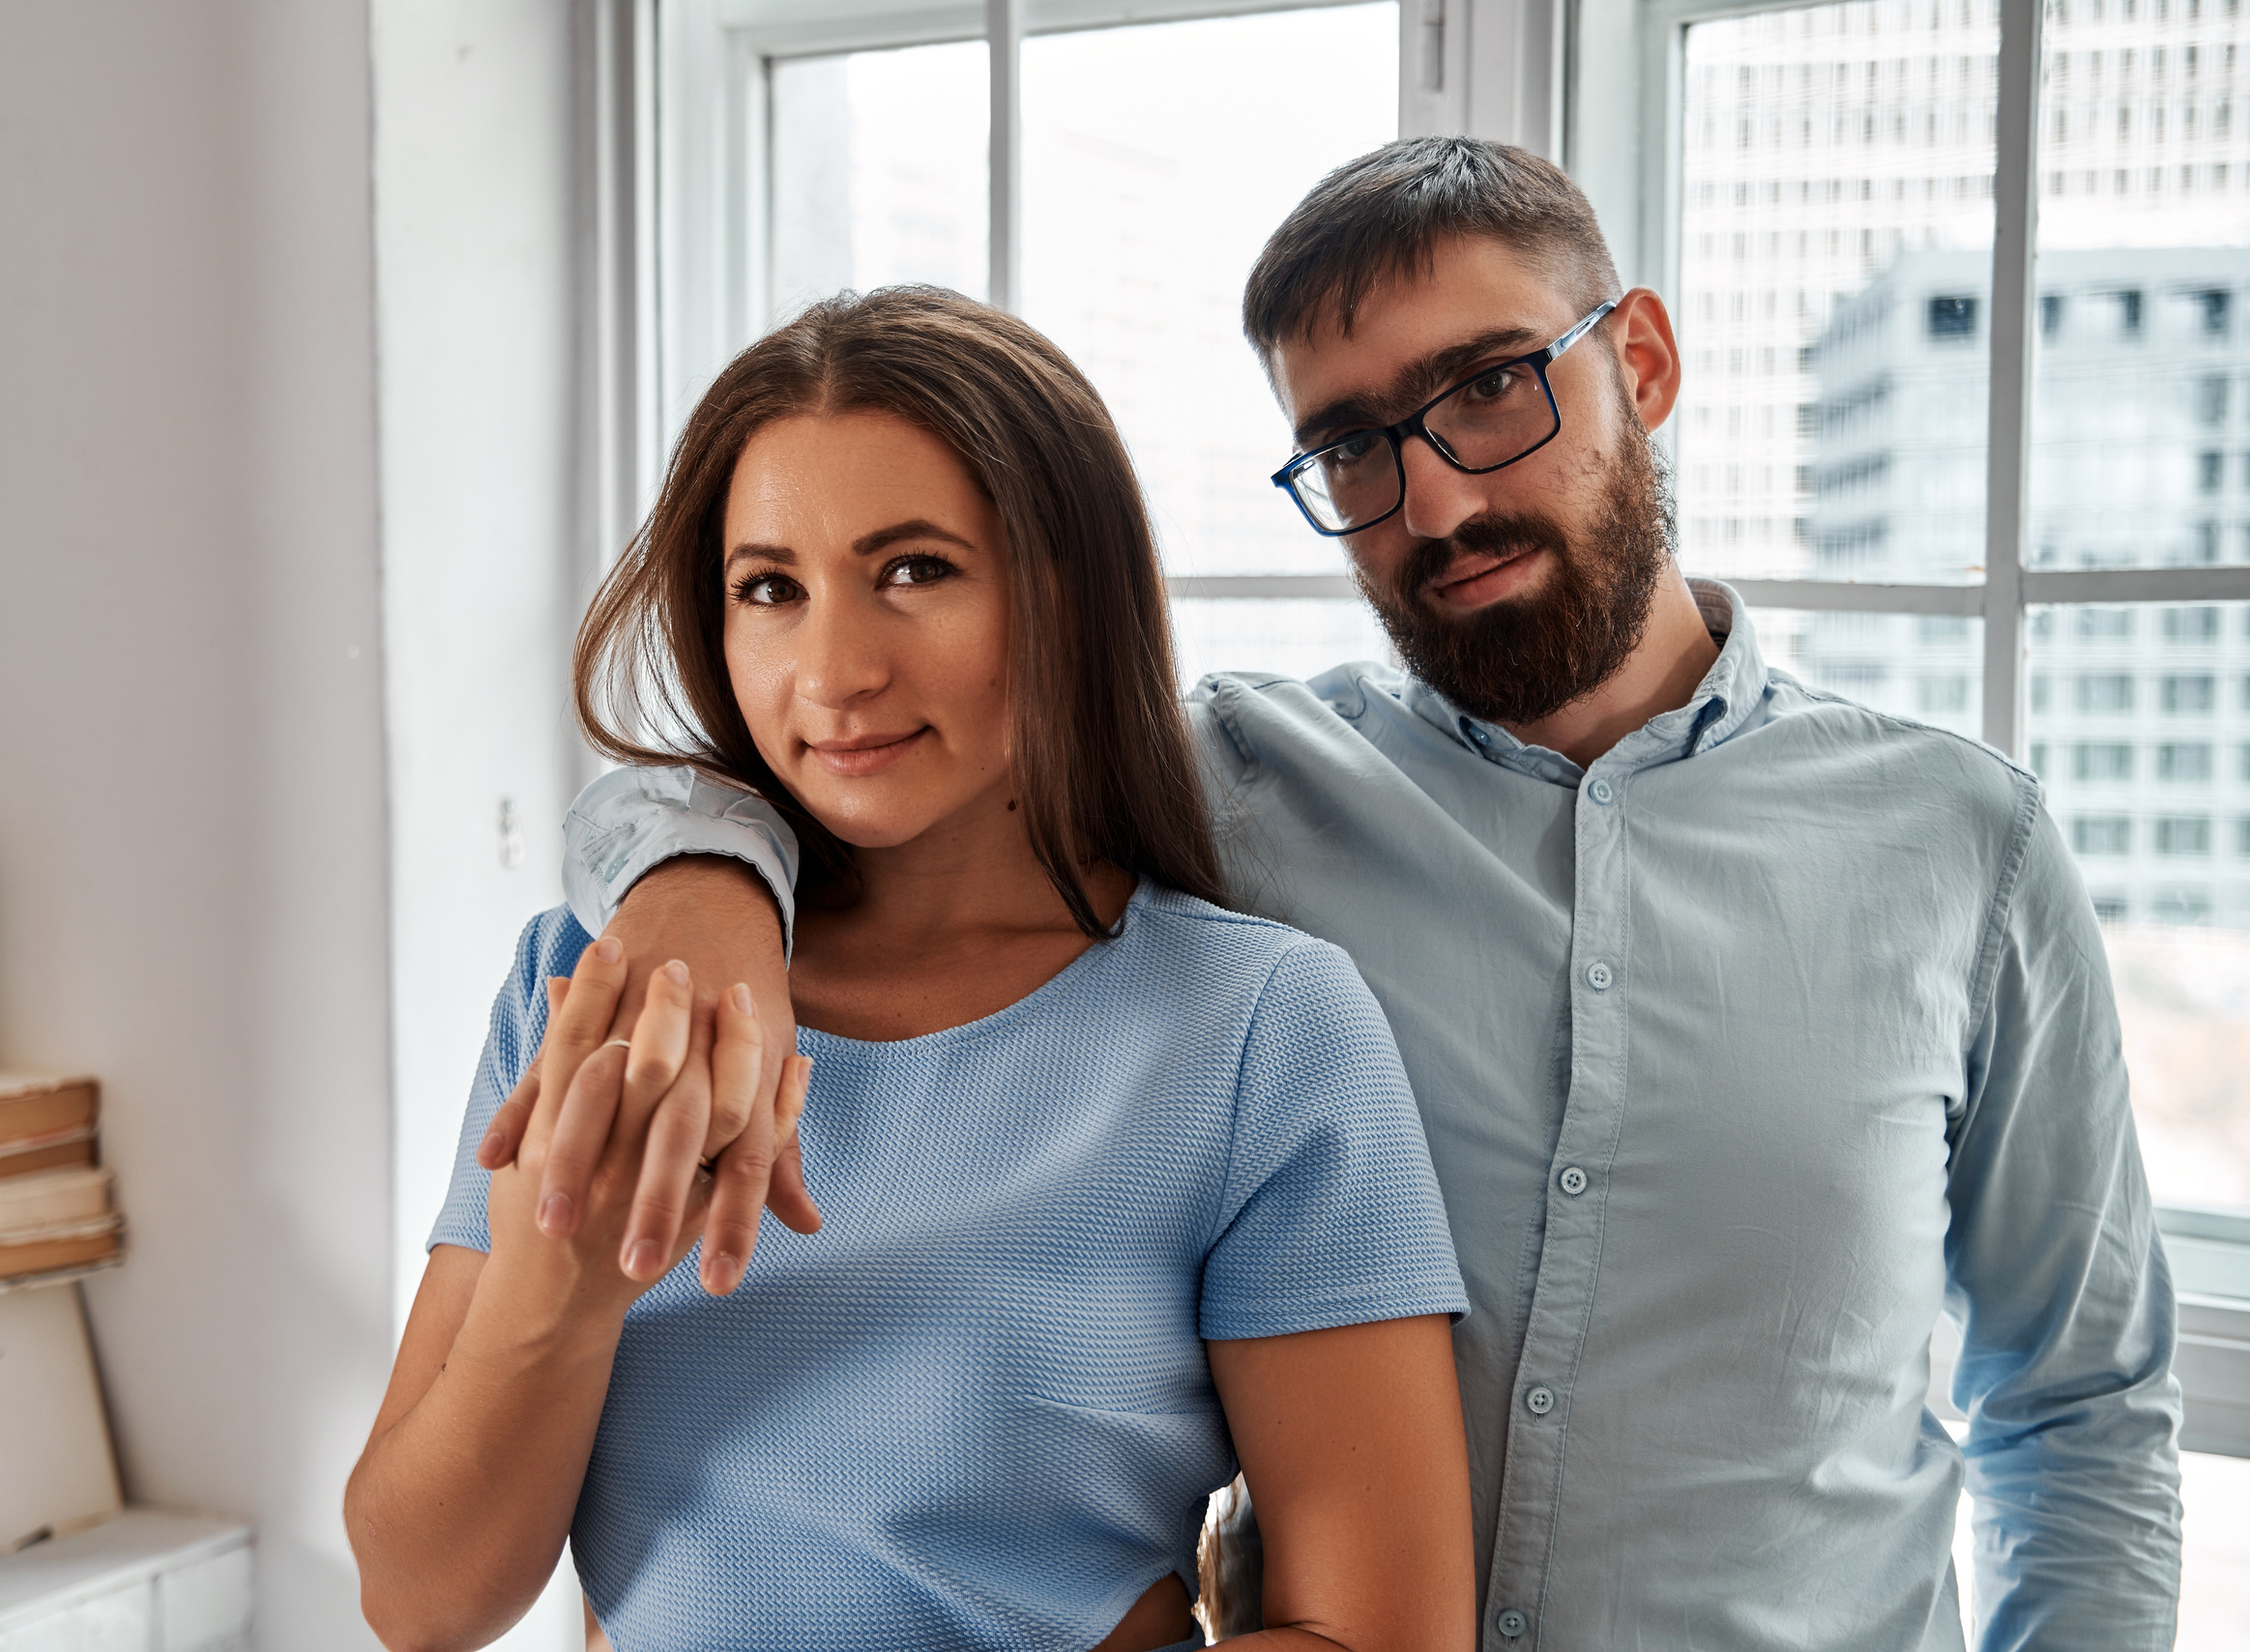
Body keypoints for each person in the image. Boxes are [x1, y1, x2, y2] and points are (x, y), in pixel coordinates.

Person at [511, 139, 2186, 1650]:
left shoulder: (1965, 846)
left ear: (1645, 362)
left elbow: (2081, 1409)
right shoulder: (1229, 789)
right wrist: (697, 885)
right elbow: (865, 747)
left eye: (1489, 390)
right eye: (1354, 447)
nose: (1438, 496)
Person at [344, 286, 1477, 1652]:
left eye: (914, 570)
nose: (833, 672)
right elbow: (419, 1602)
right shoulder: (595, 989)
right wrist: (561, 1289)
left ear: (1062, 589)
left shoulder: (1259, 1032)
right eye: (771, 588)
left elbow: (1384, 1636)